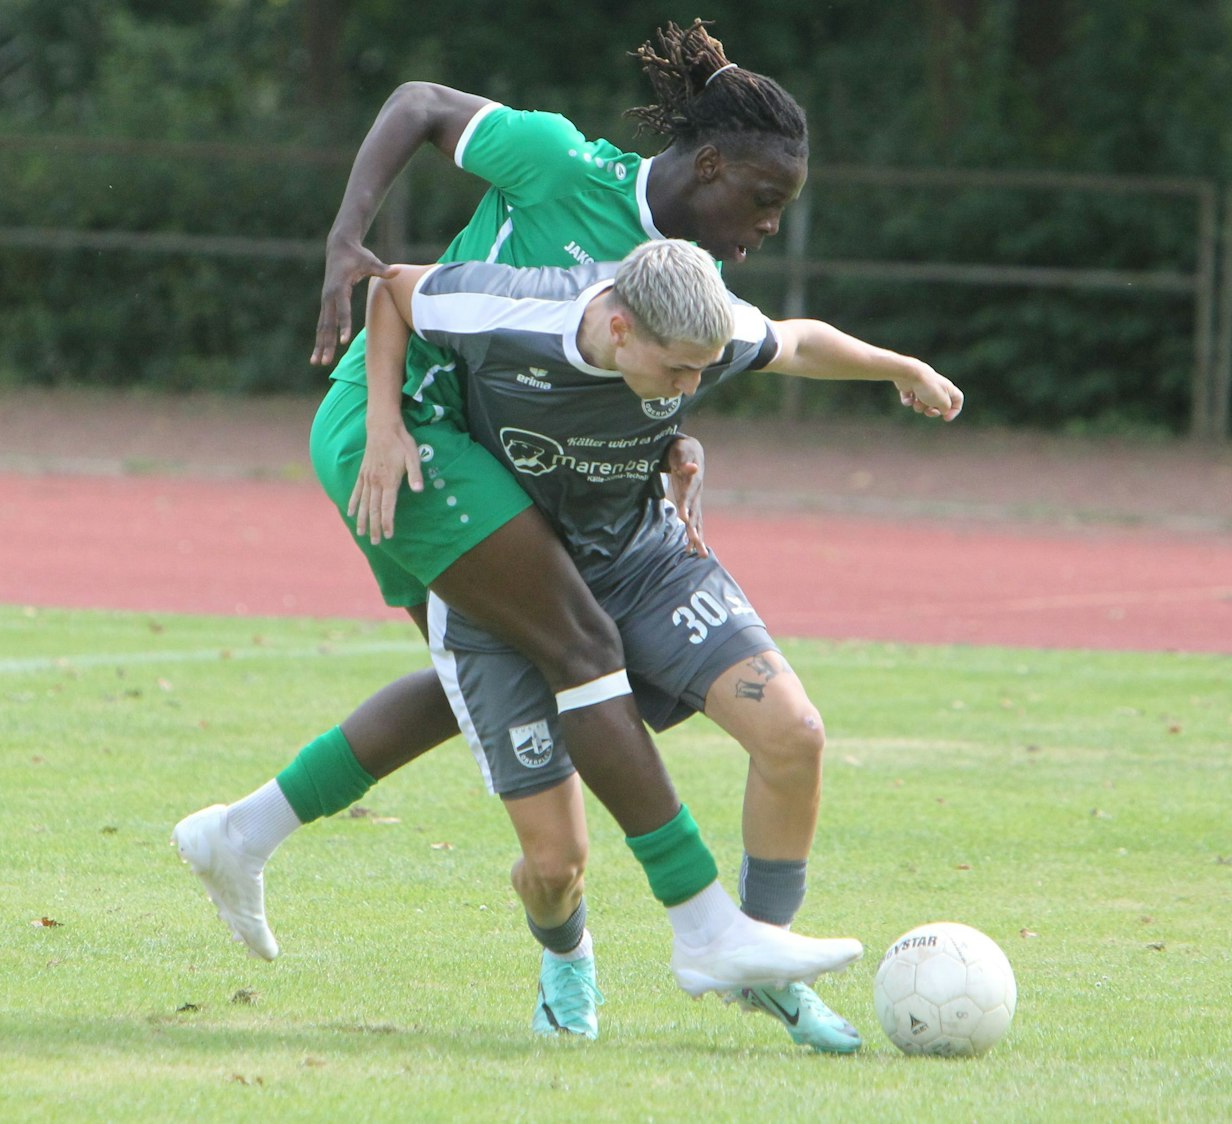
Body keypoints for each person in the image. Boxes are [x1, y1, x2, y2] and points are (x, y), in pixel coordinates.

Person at [176, 22, 863, 1041]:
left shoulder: (680, 276)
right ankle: (699, 928)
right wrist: (345, 235)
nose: (769, 226)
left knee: (487, 674)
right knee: (562, 655)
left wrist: (667, 435)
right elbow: (416, 103)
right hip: (404, 432)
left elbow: (637, 367)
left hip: (484, 456)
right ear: (713, 163)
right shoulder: (557, 161)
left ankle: (245, 830)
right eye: (765, 200)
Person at [352, 239, 961, 1044]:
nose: (691, 387)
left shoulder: (707, 331)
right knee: (553, 868)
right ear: (619, 328)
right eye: (677, 370)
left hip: (644, 562)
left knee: (795, 734)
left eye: (703, 371)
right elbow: (391, 290)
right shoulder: (512, 311)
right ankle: (567, 962)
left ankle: (761, 961)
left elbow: (799, 341)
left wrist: (901, 368)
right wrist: (383, 423)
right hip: (509, 590)